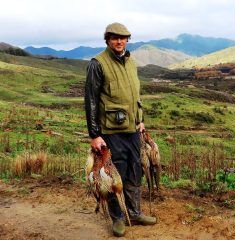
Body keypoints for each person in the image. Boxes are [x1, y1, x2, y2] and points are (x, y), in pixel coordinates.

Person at [84, 22, 157, 237]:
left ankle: (134, 213)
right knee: (115, 175)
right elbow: (91, 101)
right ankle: (118, 218)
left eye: (123, 37)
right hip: (111, 132)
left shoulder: (131, 61)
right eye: (114, 37)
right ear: (107, 39)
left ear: (127, 40)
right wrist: (94, 134)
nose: (119, 41)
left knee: (135, 171)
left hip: (132, 129)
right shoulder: (97, 64)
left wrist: (140, 120)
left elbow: (135, 96)